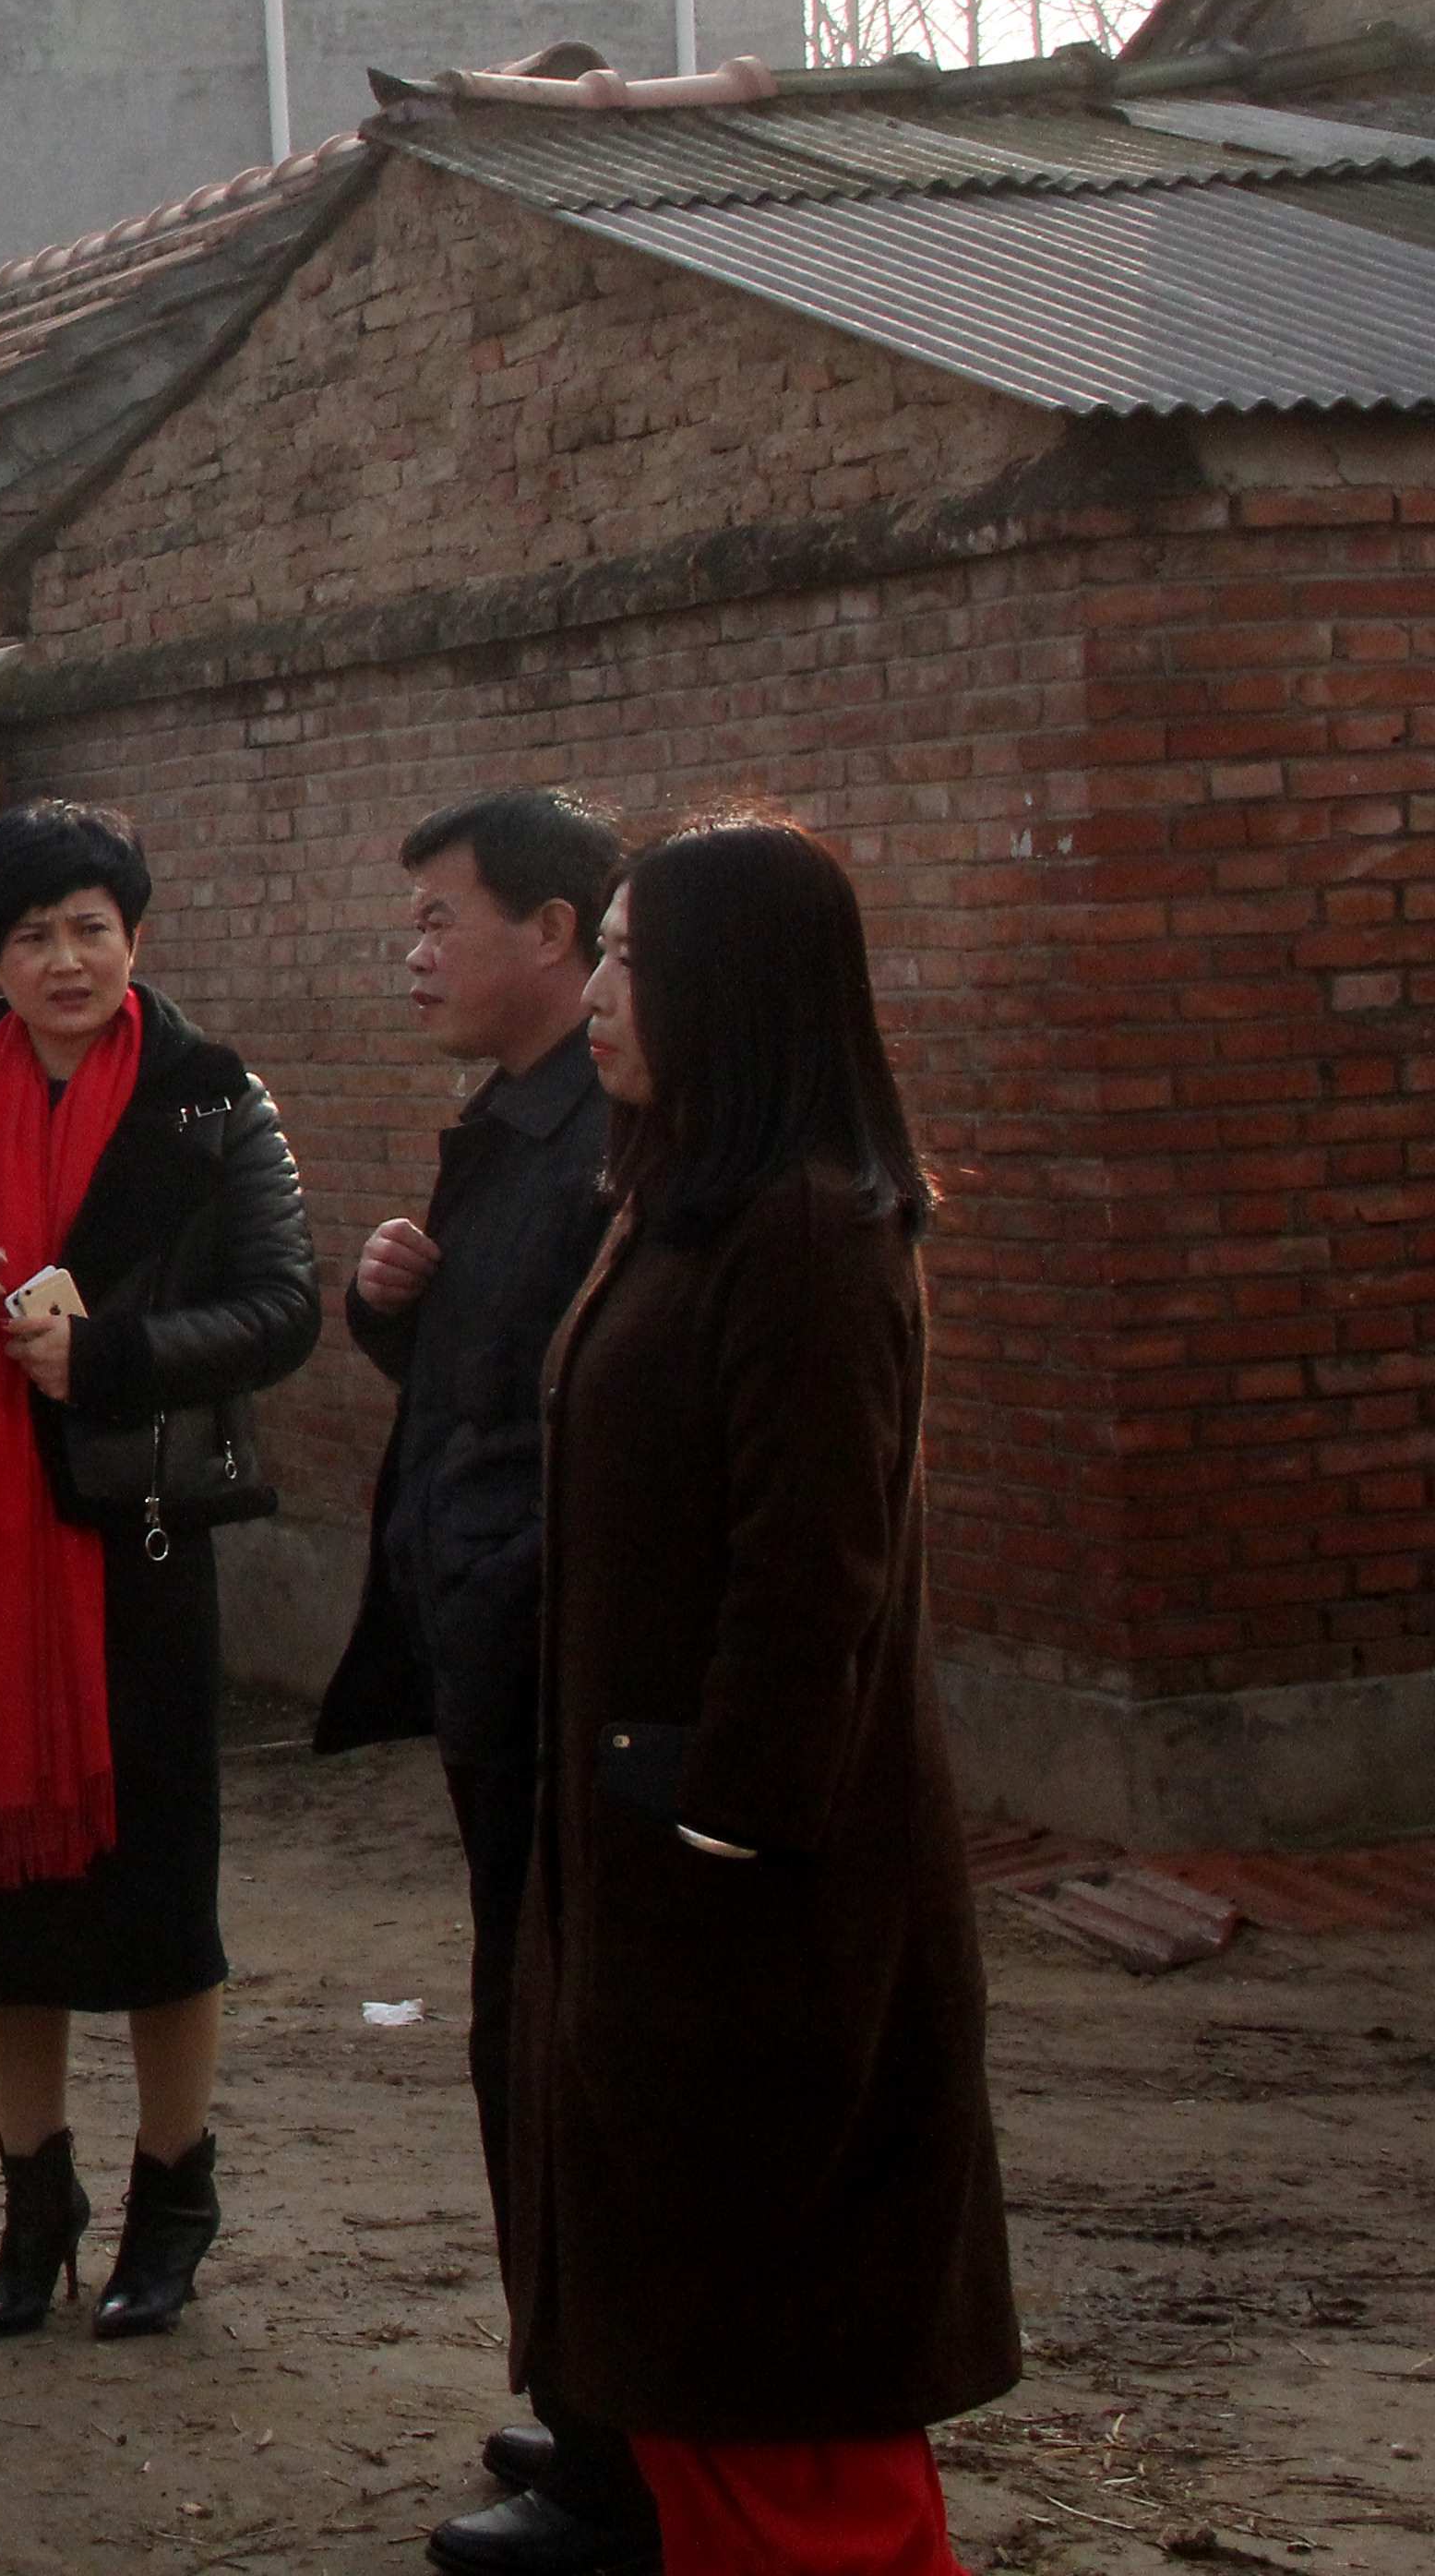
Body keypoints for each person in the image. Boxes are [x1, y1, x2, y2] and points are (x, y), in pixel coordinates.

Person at [514, 816, 1016, 2576]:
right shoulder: (677, 1204)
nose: (596, 993)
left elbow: (815, 1576)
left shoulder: (808, 1233)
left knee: (785, 2406)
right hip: (652, 1871)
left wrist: (716, 1817)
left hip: (756, 1906)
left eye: (635, 958)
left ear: (736, 986)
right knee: (693, 2378)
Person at [0, 801, 317, 2345]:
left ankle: (171, 2190)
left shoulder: (205, 1099)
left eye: (89, 929)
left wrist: (107, 1356)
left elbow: (279, 1308)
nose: (63, 960)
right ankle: (30, 2201)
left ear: (133, 938)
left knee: (156, 1895)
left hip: (129, 1535)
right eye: (31, 936)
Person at [310, 792, 650, 2576]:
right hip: (489, 1655)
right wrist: (391, 1307)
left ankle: (618, 2453)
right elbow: (486, 1372)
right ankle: (578, 2393)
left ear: (554, 930)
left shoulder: (617, 1146)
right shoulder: (509, 1128)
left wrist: (505, 1594)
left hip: (553, 1666)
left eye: (444, 917)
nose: (416, 953)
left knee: (570, 2060)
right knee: (516, 2042)